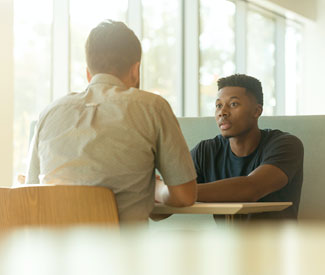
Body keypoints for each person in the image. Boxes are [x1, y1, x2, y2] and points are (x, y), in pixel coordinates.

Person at [25, 19, 197, 224]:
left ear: (88, 73)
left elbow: (31, 193)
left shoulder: (49, 113)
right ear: (136, 70)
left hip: (53, 252)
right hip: (122, 252)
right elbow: (185, 196)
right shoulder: (153, 107)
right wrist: (157, 189)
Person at [191, 74, 304, 219]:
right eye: (218, 105)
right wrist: (161, 191)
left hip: (277, 241)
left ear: (256, 111)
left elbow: (250, 189)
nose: (222, 112)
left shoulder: (286, 145)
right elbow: (160, 213)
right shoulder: (205, 151)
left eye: (233, 104)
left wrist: (175, 193)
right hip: (226, 241)